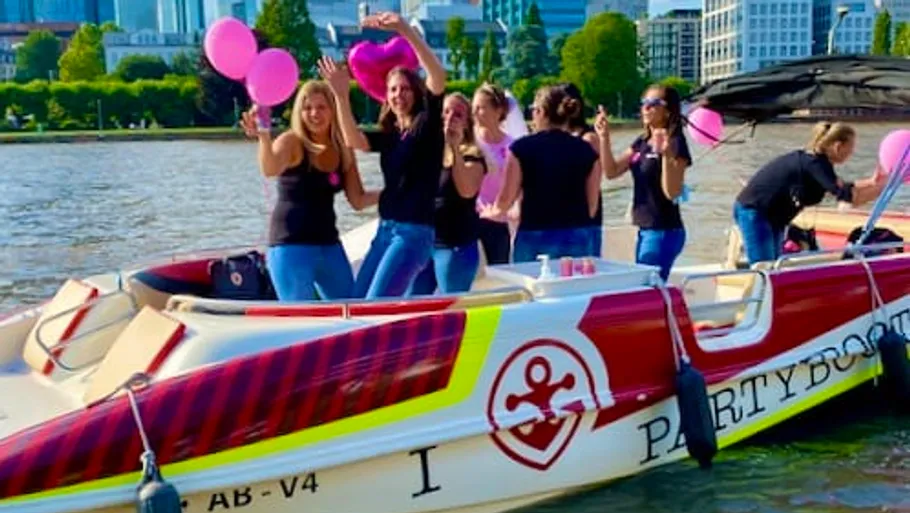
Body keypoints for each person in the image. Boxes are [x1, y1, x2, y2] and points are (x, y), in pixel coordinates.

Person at [318, 11, 447, 299]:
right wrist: (340, 95)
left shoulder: (426, 126)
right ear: (385, 95)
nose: (398, 94)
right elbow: (354, 139)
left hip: (413, 234)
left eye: (404, 89)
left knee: (377, 305)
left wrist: (404, 29)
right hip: (386, 229)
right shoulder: (390, 134)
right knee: (355, 301)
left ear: (415, 92)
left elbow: (437, 76)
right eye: (392, 90)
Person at [240, 80, 379, 301]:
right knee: (303, 316)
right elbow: (270, 168)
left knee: (351, 308)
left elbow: (358, 200)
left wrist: (398, 193)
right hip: (291, 246)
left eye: (321, 107)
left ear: (333, 110)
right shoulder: (292, 142)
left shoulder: (343, 148)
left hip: (329, 246)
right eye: (308, 108)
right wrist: (264, 136)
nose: (315, 114)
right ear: (299, 112)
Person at [732, 121, 887, 265]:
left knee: (774, 266)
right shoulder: (816, 165)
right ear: (838, 146)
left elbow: (842, 185)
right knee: (764, 268)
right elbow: (846, 196)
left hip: (773, 217)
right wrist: (885, 187)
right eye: (851, 148)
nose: (852, 152)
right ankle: (756, 293)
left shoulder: (817, 162)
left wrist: (872, 182)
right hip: (755, 211)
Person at [491, 85, 602, 262]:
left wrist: (492, 211)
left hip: (534, 233)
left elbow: (506, 199)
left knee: (532, 288)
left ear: (541, 112)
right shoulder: (587, 151)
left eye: (533, 110)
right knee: (573, 287)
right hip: (576, 233)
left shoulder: (521, 148)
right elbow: (592, 207)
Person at [595, 84, 692, 281]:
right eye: (644, 103)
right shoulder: (642, 142)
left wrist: (666, 156)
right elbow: (612, 172)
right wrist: (604, 138)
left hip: (663, 230)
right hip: (645, 230)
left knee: (647, 288)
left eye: (654, 103)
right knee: (647, 287)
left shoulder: (676, 143)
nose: (646, 108)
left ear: (668, 111)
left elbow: (672, 193)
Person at [409, 93, 487, 295]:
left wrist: (454, 147)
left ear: (467, 124)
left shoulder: (473, 156)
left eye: (458, 114)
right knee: (411, 303)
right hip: (424, 243)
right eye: (446, 112)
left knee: (452, 307)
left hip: (455, 246)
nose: (450, 118)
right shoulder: (428, 154)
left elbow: (467, 190)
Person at [472, 83, 516, 265]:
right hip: (471, 216)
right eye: (473, 107)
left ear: (498, 111)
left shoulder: (512, 145)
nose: (474, 113)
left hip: (498, 218)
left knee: (501, 270)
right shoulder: (469, 142)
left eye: (481, 108)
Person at [561, 82, 604, 258]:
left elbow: (595, 179)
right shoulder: (559, 137)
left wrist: (588, 215)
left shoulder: (588, 138)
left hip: (586, 217)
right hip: (564, 216)